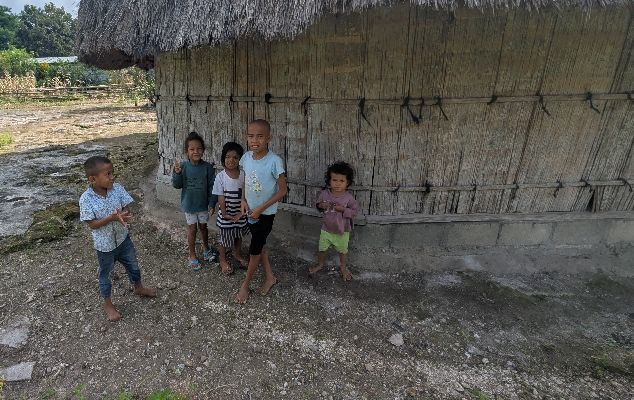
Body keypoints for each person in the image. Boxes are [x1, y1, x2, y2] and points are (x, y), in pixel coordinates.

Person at [79, 156, 156, 322]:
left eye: (112, 172)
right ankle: (108, 304)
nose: (112, 177)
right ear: (93, 179)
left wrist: (125, 214)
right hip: (105, 247)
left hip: (123, 239)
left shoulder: (117, 188)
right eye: (108, 174)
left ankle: (138, 287)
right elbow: (92, 224)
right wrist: (112, 218)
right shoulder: (86, 199)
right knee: (105, 275)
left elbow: (126, 207)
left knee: (133, 266)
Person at [235, 119, 287, 304]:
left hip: (265, 214)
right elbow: (244, 180)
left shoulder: (274, 161)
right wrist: (242, 200)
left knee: (254, 250)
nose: (255, 140)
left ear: (268, 138)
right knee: (260, 244)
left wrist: (260, 209)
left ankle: (245, 285)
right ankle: (270, 277)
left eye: (260, 136)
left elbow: (283, 190)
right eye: (251, 136)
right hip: (250, 212)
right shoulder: (246, 158)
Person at [172, 132, 218, 270]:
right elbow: (177, 185)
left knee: (203, 227)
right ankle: (192, 255)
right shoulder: (183, 167)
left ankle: (206, 248)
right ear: (187, 151)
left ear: (203, 150)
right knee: (192, 229)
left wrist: (212, 203)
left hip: (203, 205)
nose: (196, 151)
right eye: (192, 149)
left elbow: (212, 187)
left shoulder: (208, 168)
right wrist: (177, 173)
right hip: (189, 205)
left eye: (199, 148)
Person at [309, 161, 359, 281]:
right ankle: (320, 264)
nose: (337, 183)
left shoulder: (348, 198)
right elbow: (318, 205)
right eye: (334, 180)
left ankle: (343, 267)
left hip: (342, 231)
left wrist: (343, 209)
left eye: (341, 181)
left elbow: (354, 212)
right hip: (326, 229)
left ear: (347, 182)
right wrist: (321, 205)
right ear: (329, 181)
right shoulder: (324, 194)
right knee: (322, 249)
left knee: (342, 251)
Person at [212, 141, 249, 275]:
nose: (231, 160)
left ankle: (237, 254)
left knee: (238, 235)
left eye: (235, 157)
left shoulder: (243, 174)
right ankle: (222, 260)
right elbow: (220, 196)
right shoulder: (220, 177)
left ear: (240, 159)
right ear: (223, 158)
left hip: (240, 213)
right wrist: (224, 213)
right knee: (224, 238)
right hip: (226, 214)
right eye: (228, 157)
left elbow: (245, 194)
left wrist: (242, 212)